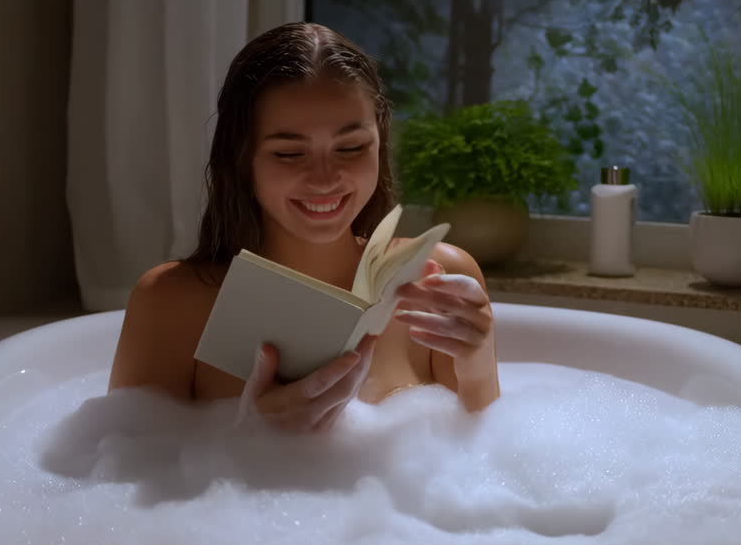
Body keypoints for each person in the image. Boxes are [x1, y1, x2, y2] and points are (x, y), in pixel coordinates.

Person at [108, 22, 500, 431]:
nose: (325, 178)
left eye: (351, 148)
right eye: (290, 154)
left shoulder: (437, 281)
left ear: (379, 142)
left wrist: (477, 366)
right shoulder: (172, 303)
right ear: (242, 160)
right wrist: (253, 443)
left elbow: (487, 465)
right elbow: (118, 477)